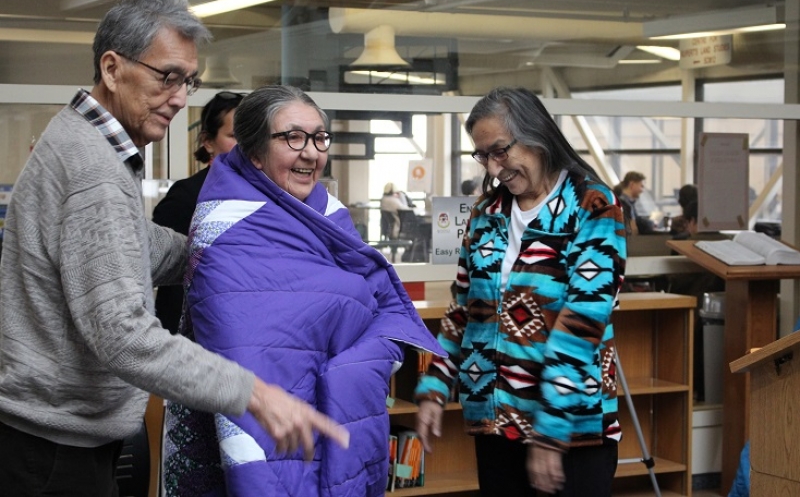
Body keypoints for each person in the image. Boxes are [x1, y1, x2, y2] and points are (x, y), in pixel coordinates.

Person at [0, 0, 348, 496]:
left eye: (189, 81)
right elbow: (124, 335)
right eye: (167, 77)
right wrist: (255, 394)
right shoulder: (93, 170)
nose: (181, 98)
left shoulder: (81, 141)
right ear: (113, 68)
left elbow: (135, 244)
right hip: (53, 453)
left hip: (52, 440)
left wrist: (225, 255)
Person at [163, 85, 444, 496]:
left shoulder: (328, 213)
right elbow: (244, 342)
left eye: (319, 138)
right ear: (255, 151)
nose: (310, 152)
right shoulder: (225, 227)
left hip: (329, 412)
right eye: (293, 137)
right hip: (262, 420)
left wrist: (361, 357)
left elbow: (376, 302)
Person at [414, 87, 627, 496]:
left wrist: (548, 431)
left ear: (536, 136)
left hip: (569, 429)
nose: (494, 168)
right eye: (483, 156)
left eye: (500, 151)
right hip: (495, 421)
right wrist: (435, 386)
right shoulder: (485, 214)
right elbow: (462, 308)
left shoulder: (592, 206)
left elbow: (583, 323)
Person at [152, 90, 244, 334]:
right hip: (192, 339)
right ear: (207, 141)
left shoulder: (269, 196)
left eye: (253, 135)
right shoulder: (186, 195)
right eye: (235, 135)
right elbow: (164, 273)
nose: (246, 145)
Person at [615, 171, 651, 235]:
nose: (642, 190)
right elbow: (632, 230)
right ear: (632, 185)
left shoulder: (627, 203)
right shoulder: (625, 205)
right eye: (641, 186)